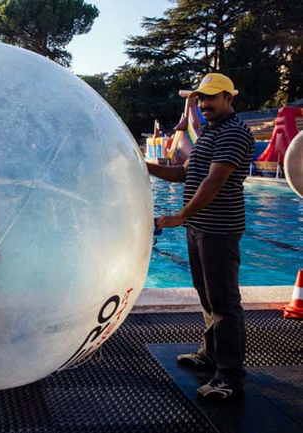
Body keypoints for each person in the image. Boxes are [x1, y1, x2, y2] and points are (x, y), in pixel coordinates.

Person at [147, 73, 254, 401]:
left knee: (224, 303)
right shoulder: (211, 132)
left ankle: (229, 376)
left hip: (218, 229)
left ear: (228, 99)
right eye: (200, 98)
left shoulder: (234, 133)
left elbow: (214, 181)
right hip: (201, 227)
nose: (204, 104)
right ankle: (211, 354)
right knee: (207, 296)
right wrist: (145, 166)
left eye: (211, 98)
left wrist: (180, 217)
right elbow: (185, 173)